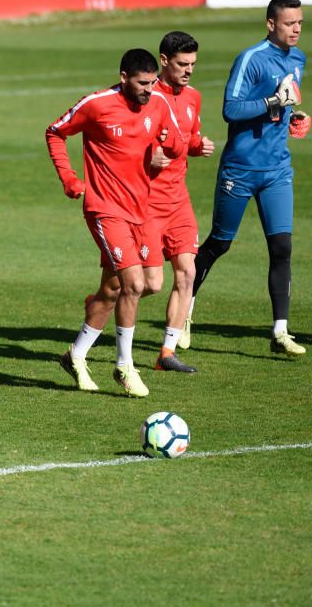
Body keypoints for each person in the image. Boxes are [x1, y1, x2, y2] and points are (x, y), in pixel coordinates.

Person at [47, 48, 186, 397]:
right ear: (124, 77)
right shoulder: (96, 103)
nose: (149, 90)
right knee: (134, 284)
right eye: (142, 83)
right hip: (104, 209)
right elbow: (55, 132)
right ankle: (125, 366)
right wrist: (68, 177)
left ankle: (75, 355)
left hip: (141, 209)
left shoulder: (157, 103)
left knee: (134, 286)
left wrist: (167, 151)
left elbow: (178, 143)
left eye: (153, 83)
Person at [184, 0, 309, 356]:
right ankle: (183, 313)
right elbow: (231, 109)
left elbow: (286, 102)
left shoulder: (298, 59)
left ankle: (280, 332)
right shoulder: (251, 59)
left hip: (277, 170)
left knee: (282, 247)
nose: (297, 29)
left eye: (300, 22)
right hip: (240, 169)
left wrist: (295, 115)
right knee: (219, 244)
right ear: (271, 24)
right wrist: (273, 102)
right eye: (290, 23)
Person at [144, 31, 215, 373]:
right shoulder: (145, 95)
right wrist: (148, 157)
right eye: (182, 64)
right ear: (164, 60)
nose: (189, 70)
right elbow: (129, 142)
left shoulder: (193, 98)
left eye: (193, 64)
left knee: (187, 273)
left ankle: (166, 352)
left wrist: (198, 146)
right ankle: (105, 300)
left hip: (178, 200)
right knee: (146, 284)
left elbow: (188, 138)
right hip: (145, 201)